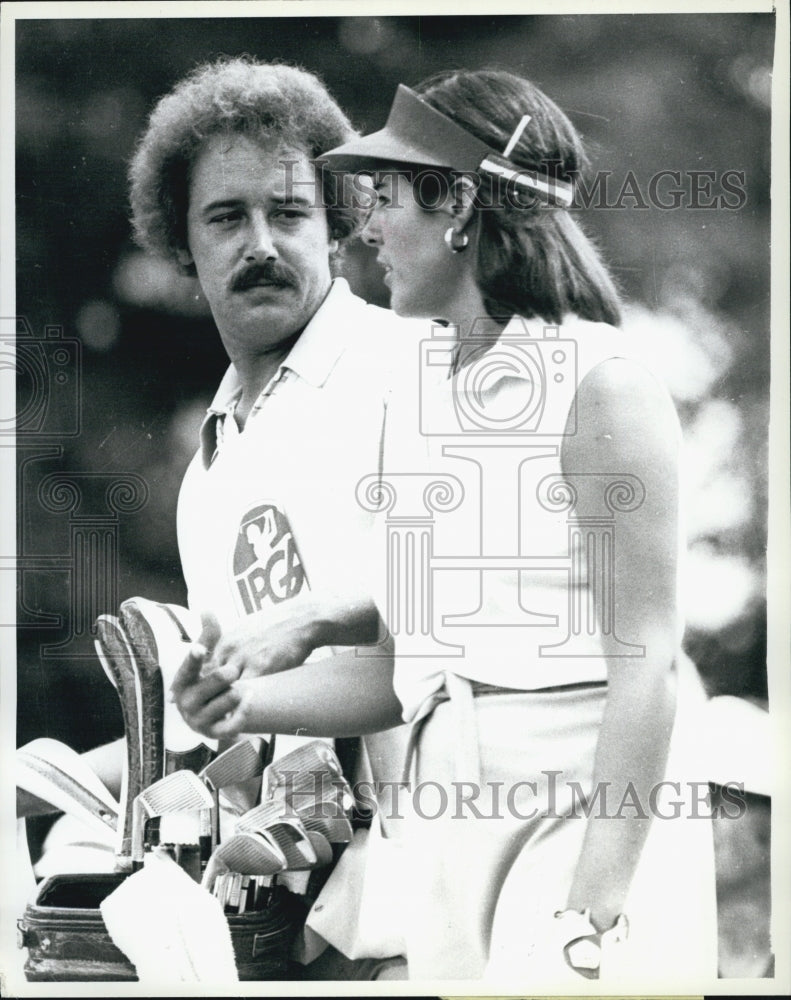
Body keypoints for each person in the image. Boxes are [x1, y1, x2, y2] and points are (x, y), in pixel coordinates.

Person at [173, 70, 719, 987]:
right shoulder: (420, 387)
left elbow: (648, 669)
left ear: (459, 204)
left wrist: (588, 919)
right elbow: (416, 657)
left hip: (585, 827)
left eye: (386, 197)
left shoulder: (603, 384)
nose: (367, 227)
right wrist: (269, 672)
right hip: (446, 834)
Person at [18, 55, 422, 981]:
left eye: (289, 213)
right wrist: (47, 780)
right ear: (181, 242)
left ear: (340, 223)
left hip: (426, 913)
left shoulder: (405, 375)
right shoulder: (211, 459)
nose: (261, 244)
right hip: (282, 930)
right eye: (225, 217)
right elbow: (215, 724)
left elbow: (443, 660)